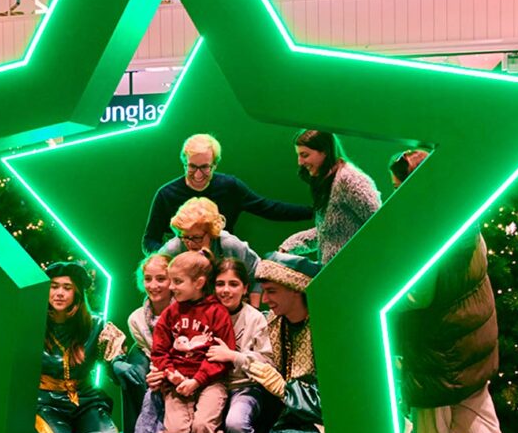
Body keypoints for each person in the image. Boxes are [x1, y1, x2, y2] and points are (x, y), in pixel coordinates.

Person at [387, 150, 518, 433]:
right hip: (473, 329)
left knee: (429, 402)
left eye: (399, 186)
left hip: (438, 335)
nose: (395, 194)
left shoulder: (425, 230)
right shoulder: (465, 220)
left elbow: (420, 295)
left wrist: (388, 299)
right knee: (472, 394)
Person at [151, 250, 235, 433]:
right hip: (177, 383)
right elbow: (159, 351)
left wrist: (197, 380)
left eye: (177, 281)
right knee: (174, 429)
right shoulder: (170, 313)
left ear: (199, 283)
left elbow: (223, 356)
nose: (171, 287)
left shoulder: (217, 313)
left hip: (209, 383)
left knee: (203, 426)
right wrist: (172, 375)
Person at [246, 251, 332, 433]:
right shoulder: (272, 323)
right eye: (264, 291)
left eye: (272, 291)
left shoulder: (326, 327)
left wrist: (282, 387)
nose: (265, 299)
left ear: (296, 289)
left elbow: (334, 396)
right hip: (288, 408)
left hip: (326, 416)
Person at [34, 262, 126, 433]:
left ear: (77, 292)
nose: (59, 293)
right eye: (54, 286)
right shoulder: (32, 323)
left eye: (67, 287)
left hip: (85, 400)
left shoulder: (95, 324)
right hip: (46, 401)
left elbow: (113, 362)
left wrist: (120, 363)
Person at [143, 133, 313, 254]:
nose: (198, 174)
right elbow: (150, 240)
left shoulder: (229, 187)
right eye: (192, 167)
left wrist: (315, 211)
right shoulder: (166, 194)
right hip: (184, 270)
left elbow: (268, 208)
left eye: (205, 167)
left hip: (223, 264)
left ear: (215, 164)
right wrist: (168, 259)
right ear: (184, 163)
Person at [204, 258, 282, 433]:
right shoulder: (205, 314)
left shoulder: (255, 318)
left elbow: (268, 361)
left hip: (246, 387)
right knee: (201, 421)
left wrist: (234, 356)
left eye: (233, 284)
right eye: (220, 284)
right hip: (213, 386)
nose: (226, 290)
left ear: (245, 288)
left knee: (236, 422)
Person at [115, 254, 173, 433]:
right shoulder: (137, 319)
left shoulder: (185, 310)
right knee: (150, 405)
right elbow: (150, 352)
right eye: (148, 279)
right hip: (156, 374)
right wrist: (157, 374)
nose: (154, 285)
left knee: (165, 408)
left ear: (173, 281)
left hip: (183, 377)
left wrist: (167, 375)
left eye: (161, 278)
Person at [281, 130, 381, 264]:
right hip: (336, 270)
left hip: (354, 270)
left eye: (304, 155)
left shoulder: (350, 180)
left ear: (324, 151)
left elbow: (379, 224)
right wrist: (289, 246)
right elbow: (328, 232)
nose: (300, 162)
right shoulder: (330, 181)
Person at [158, 197, 261, 305]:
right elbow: (155, 274)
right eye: (185, 237)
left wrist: (254, 308)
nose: (190, 244)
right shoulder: (174, 247)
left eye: (197, 237)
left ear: (211, 233)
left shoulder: (228, 244)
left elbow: (256, 271)